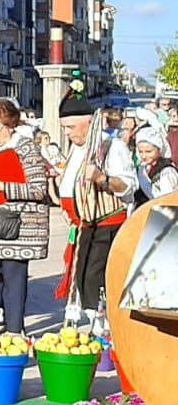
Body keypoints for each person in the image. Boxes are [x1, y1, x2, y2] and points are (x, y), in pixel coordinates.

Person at [0, 100, 51, 333]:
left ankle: (15, 329)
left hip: (18, 223)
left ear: (11, 126)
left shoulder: (26, 150)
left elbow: (38, 189)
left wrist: (3, 186)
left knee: (13, 278)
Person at [56, 96, 136, 335]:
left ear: (89, 122)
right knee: (81, 279)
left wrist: (102, 178)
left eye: (71, 127)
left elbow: (128, 187)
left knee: (95, 279)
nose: (68, 133)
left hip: (106, 225)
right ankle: (95, 326)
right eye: (64, 128)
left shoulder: (112, 147)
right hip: (82, 227)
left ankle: (105, 330)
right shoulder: (75, 149)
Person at [134, 124, 178, 201]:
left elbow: (168, 200)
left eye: (148, 152)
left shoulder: (167, 172)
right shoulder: (143, 168)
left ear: (160, 150)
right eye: (141, 152)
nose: (144, 156)